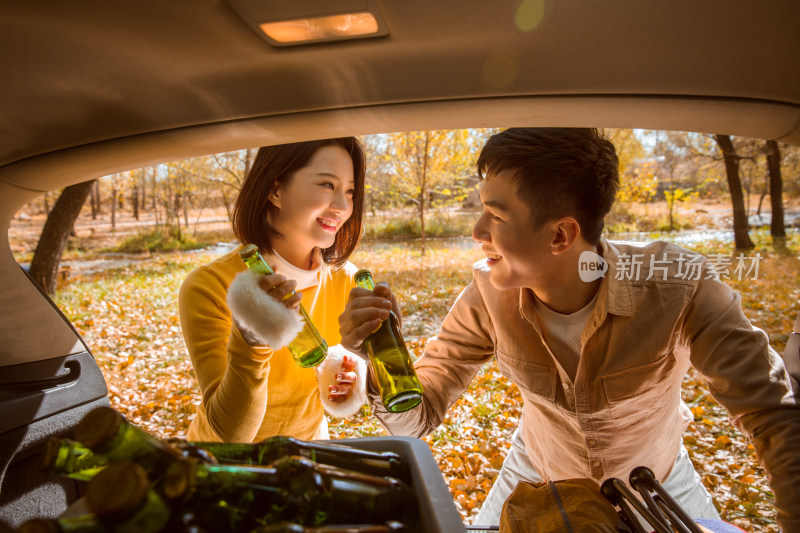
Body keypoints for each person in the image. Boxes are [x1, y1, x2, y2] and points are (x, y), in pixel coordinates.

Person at [338, 128, 800, 530]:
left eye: (496, 216)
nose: (478, 231)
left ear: (561, 235)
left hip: (657, 477)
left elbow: (774, 416)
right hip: (536, 473)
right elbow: (415, 419)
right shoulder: (487, 295)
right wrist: (380, 357)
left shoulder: (681, 285)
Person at [180, 138, 370, 443]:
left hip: (307, 461)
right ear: (275, 190)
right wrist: (251, 340)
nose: (343, 206)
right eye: (326, 185)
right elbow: (232, 434)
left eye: (349, 191)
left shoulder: (346, 280)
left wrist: (347, 379)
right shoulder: (209, 286)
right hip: (223, 470)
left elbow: (335, 375)